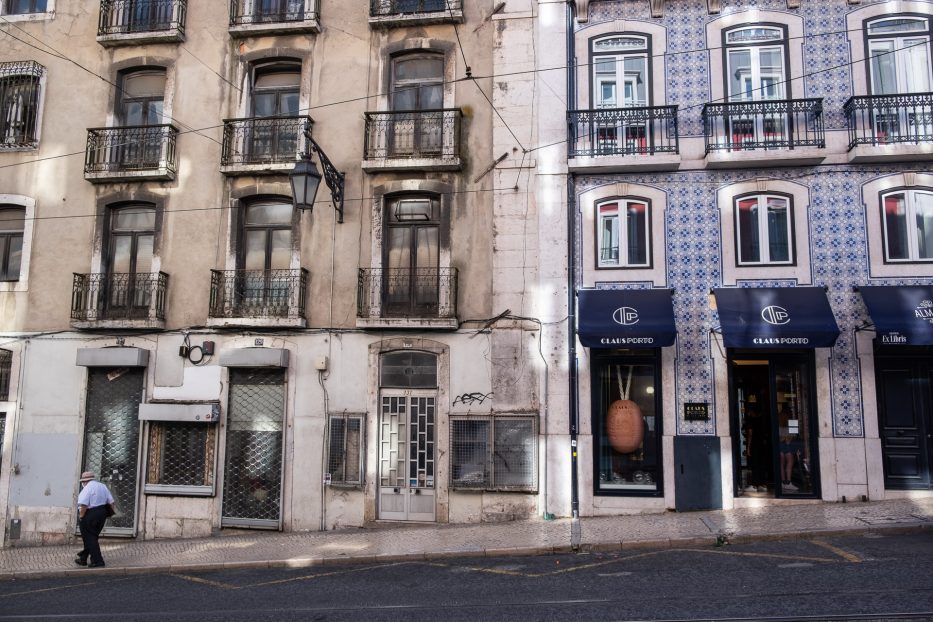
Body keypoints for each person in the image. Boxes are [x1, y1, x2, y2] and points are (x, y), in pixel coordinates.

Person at [75, 471, 114, 569]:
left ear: (85, 481)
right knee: (93, 536)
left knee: (90, 537)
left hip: (90, 514)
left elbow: (83, 504)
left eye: (83, 482)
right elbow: (111, 502)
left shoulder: (87, 488)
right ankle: (83, 558)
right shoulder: (103, 486)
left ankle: (98, 561)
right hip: (102, 512)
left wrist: (81, 516)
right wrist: (107, 514)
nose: (82, 484)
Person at [743, 403, 771, 493]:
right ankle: (762, 484)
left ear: (751, 411)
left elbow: (750, 434)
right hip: (762, 445)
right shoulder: (762, 420)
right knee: (761, 464)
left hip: (754, 445)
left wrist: (748, 448)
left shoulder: (751, 421)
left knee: (755, 465)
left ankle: (754, 485)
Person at [779, 406, 802, 492]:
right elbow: (793, 435)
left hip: (780, 445)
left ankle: (782, 482)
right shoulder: (792, 422)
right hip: (788, 445)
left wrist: (783, 438)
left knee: (781, 464)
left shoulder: (778, 421)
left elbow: (779, 437)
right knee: (789, 464)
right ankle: (788, 482)